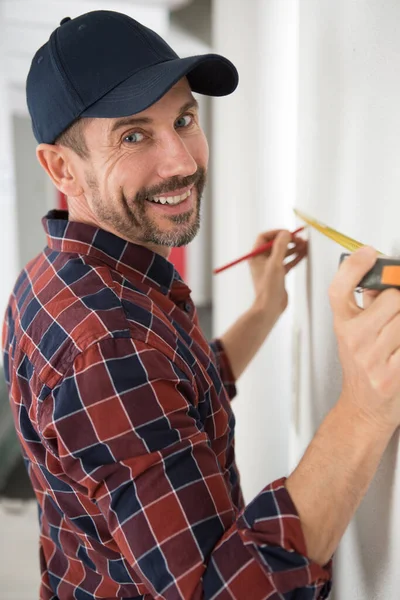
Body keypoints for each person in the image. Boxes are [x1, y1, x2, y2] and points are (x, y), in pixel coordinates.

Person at [3, 9, 400, 600]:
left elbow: (174, 396)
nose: (182, 161)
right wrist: (365, 411)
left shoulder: (63, 272)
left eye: (185, 118)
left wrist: (265, 308)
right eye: (133, 135)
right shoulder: (107, 344)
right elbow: (231, 591)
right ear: (62, 167)